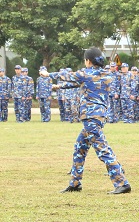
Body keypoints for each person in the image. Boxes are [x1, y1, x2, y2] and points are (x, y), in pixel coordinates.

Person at [41, 47, 131, 194]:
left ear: (88, 61)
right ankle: (75, 183)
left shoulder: (86, 74)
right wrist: (60, 86)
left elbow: (69, 76)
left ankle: (122, 183)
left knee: (102, 150)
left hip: (91, 116)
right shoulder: (105, 74)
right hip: (99, 116)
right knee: (80, 147)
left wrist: (48, 74)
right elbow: (78, 82)